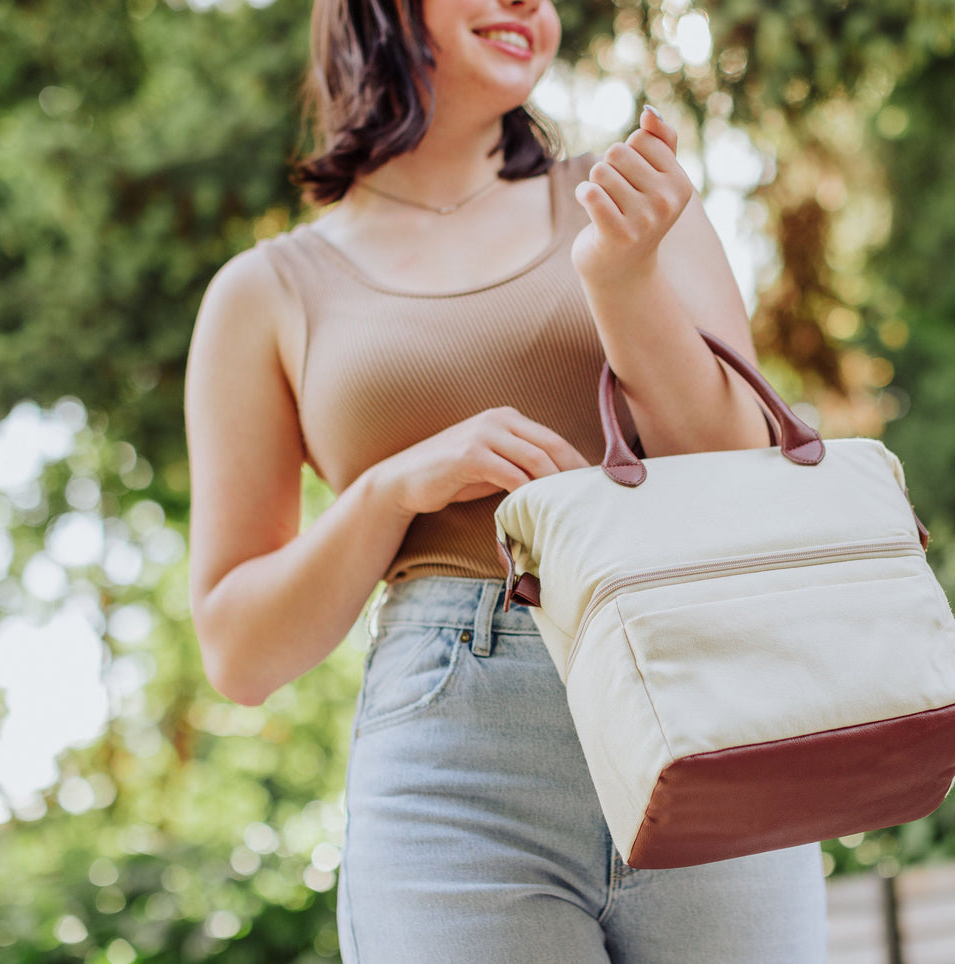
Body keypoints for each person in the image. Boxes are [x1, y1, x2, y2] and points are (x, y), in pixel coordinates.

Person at [182, 0, 828, 960]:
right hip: (454, 770)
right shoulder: (267, 291)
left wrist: (622, 283)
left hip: (698, 709)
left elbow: (739, 474)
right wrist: (390, 489)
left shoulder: (630, 204)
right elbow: (239, 652)